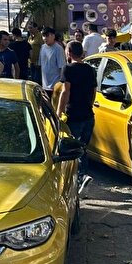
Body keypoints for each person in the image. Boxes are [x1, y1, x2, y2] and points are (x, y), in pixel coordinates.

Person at [55, 41, 96, 181]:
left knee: (71, 149)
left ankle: (76, 178)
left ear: (69, 53)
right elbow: (93, 91)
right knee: (83, 147)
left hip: (73, 115)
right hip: (88, 115)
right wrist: (89, 105)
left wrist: (58, 113)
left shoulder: (68, 69)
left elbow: (65, 92)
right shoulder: (90, 69)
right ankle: (83, 175)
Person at [39, 27, 66, 96]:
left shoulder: (58, 49)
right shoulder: (43, 47)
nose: (45, 38)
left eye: (47, 35)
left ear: (53, 36)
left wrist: (60, 84)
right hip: (44, 85)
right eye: (43, 36)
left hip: (55, 87)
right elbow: (41, 65)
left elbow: (62, 67)